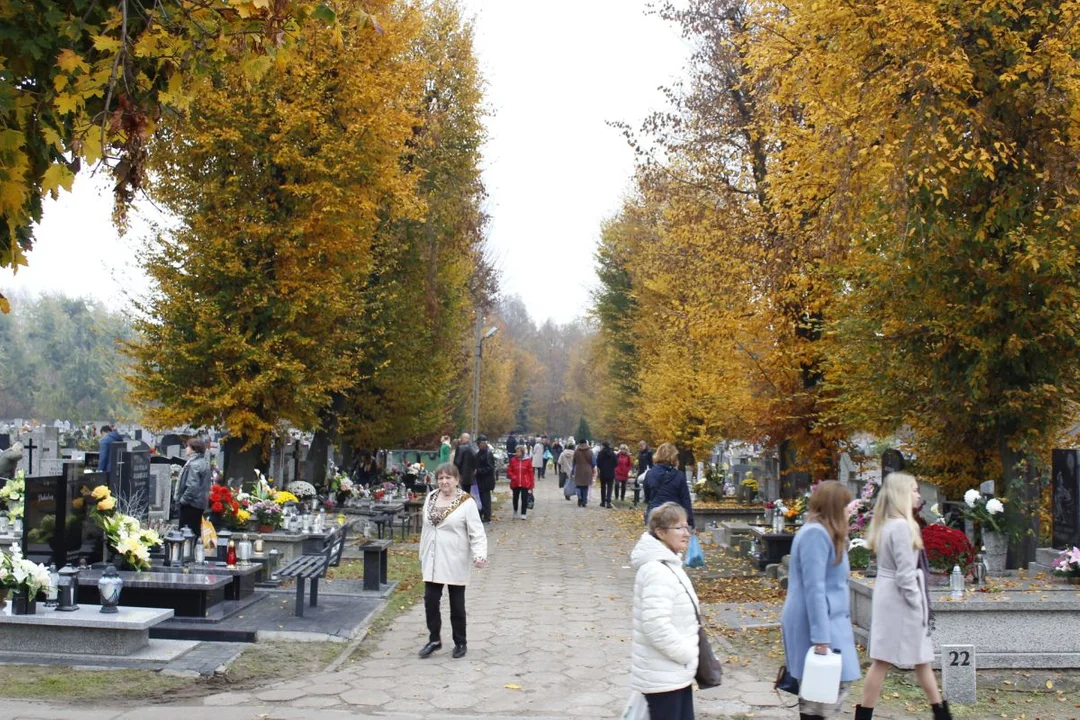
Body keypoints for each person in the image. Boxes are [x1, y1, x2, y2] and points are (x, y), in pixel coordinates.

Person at [855, 473, 951, 720]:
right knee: (900, 658)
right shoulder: (903, 527)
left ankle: (939, 710)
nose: (919, 495)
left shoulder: (888, 524)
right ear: (901, 495)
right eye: (915, 490)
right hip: (900, 598)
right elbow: (906, 573)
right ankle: (939, 711)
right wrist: (918, 605)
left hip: (890, 595)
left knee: (910, 658)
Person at [780, 481, 860, 720]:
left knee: (827, 693)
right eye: (846, 505)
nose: (850, 509)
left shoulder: (826, 533)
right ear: (834, 506)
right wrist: (821, 638)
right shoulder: (815, 533)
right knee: (820, 696)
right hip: (816, 623)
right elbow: (814, 587)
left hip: (828, 620)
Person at [629, 501, 700, 720]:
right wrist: (687, 654)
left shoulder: (669, 564)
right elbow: (655, 625)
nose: (686, 533)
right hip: (664, 676)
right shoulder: (657, 570)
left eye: (687, 527)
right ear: (660, 532)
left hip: (674, 673)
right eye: (679, 528)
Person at [418, 463, 487, 659]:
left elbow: (477, 531)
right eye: (440, 478)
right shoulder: (431, 497)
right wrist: (422, 552)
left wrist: (479, 555)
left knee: (457, 604)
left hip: (455, 557)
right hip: (432, 557)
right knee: (430, 600)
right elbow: (426, 529)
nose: (444, 481)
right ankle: (434, 639)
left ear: (457, 480)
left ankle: (460, 641)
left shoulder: (466, 502)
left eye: (448, 477)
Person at [644, 443, 695, 529]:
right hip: (673, 516)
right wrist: (690, 523)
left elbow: (647, 496)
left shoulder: (650, 474)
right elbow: (685, 500)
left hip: (654, 515)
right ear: (674, 457)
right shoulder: (679, 476)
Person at [176, 438, 212, 538]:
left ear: (194, 449)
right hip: (199, 503)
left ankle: (188, 553)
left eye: (188, 446)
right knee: (195, 532)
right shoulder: (202, 462)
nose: (186, 448)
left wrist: (183, 500)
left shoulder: (194, 465)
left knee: (186, 534)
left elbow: (192, 486)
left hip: (191, 504)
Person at [507, 445, 534, 520]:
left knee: (524, 498)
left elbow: (530, 473)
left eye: (518, 451)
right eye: (516, 451)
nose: (516, 453)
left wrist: (531, 484)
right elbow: (509, 470)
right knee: (515, 498)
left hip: (525, 482)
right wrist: (513, 476)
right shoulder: (513, 460)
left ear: (522, 452)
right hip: (515, 482)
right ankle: (515, 510)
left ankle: (523, 513)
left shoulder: (528, 460)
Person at [474, 435, 496, 523]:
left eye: (484, 443)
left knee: (485, 499)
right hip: (480, 479)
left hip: (486, 480)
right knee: (480, 498)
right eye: (481, 443)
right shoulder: (479, 453)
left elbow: (490, 468)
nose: (482, 444)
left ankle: (487, 516)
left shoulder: (488, 453)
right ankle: (482, 514)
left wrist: (478, 471)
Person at [572, 439, 596, 507]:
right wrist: (593, 469)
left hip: (578, 470)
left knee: (578, 485)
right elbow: (593, 462)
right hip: (587, 471)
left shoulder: (576, 452)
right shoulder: (590, 451)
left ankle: (579, 496)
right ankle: (584, 501)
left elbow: (573, 462)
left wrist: (573, 471)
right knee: (585, 487)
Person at [596, 440, 618, 509]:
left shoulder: (601, 453)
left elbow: (598, 463)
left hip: (603, 472)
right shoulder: (613, 453)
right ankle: (608, 502)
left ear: (603, 446)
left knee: (603, 487)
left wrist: (601, 468)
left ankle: (603, 502)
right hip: (611, 472)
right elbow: (616, 463)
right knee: (610, 487)